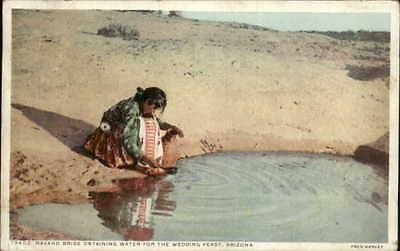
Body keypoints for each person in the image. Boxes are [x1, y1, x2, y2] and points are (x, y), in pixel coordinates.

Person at [84, 87, 184, 175]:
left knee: (149, 124)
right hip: (108, 129)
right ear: (147, 101)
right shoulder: (131, 111)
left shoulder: (143, 104)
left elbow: (159, 123)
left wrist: (172, 127)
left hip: (125, 126)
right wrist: (145, 158)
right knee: (137, 136)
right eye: (153, 108)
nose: (154, 112)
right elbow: (129, 142)